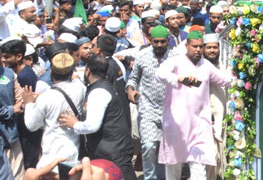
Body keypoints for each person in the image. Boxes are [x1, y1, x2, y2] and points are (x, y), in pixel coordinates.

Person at [155, 31, 232, 180]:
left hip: (199, 125)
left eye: (200, 46)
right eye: (194, 46)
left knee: (199, 169)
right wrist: (179, 79)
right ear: (187, 46)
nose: (198, 49)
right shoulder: (176, 62)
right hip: (177, 124)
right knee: (173, 167)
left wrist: (242, 75)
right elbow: (160, 73)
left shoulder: (205, 65)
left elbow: (224, 80)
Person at [59, 55, 135, 180]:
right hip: (114, 149)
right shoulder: (103, 86)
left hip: (113, 152)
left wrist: (74, 124)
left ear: (88, 71)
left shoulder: (99, 92)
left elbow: (92, 126)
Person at [126, 25, 174, 180]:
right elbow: (133, 78)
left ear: (168, 41)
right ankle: (150, 177)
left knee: (164, 148)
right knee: (148, 146)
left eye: (163, 42)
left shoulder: (175, 57)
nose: (159, 45)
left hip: (170, 109)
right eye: (156, 42)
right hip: (147, 108)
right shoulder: (142, 56)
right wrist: (131, 90)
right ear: (150, 41)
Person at [23, 53, 86, 170]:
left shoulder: (46, 97)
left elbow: (31, 126)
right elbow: (77, 81)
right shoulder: (80, 88)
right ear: (71, 73)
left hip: (52, 156)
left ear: (51, 72)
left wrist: (29, 104)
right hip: (74, 152)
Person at [0, 40, 40, 170]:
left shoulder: (19, 75)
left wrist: (18, 106)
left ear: (19, 57)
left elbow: (22, 100)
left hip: (21, 130)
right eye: (3, 56)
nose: (4, 60)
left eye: (6, 56)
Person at [202, 33, 226, 180]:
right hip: (205, 117)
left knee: (221, 153)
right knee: (209, 155)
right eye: (209, 47)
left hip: (222, 116)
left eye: (215, 47)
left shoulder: (224, 67)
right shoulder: (199, 67)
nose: (212, 51)